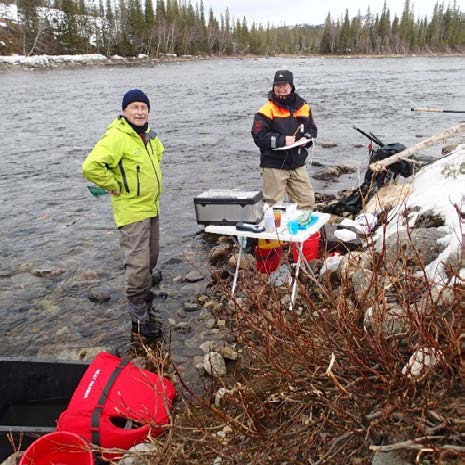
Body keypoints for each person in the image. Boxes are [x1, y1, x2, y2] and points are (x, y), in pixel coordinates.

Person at [82, 89, 164, 340]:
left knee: (152, 255)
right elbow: (90, 166)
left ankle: (145, 290)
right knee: (138, 264)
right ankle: (138, 320)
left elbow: (159, 154)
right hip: (131, 210)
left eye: (143, 107)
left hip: (151, 206)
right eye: (134, 107)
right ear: (124, 111)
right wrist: (116, 185)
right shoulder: (116, 136)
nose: (140, 111)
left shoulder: (148, 135)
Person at [251, 70, 317, 212]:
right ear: (273, 87)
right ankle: (274, 233)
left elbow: (312, 129)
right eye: (277, 85)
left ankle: (301, 231)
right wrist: (282, 140)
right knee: (273, 206)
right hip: (274, 165)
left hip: (297, 163)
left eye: (284, 85)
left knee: (307, 201)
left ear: (291, 86)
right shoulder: (266, 109)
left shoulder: (303, 106)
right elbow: (258, 136)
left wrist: (307, 139)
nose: (281, 88)